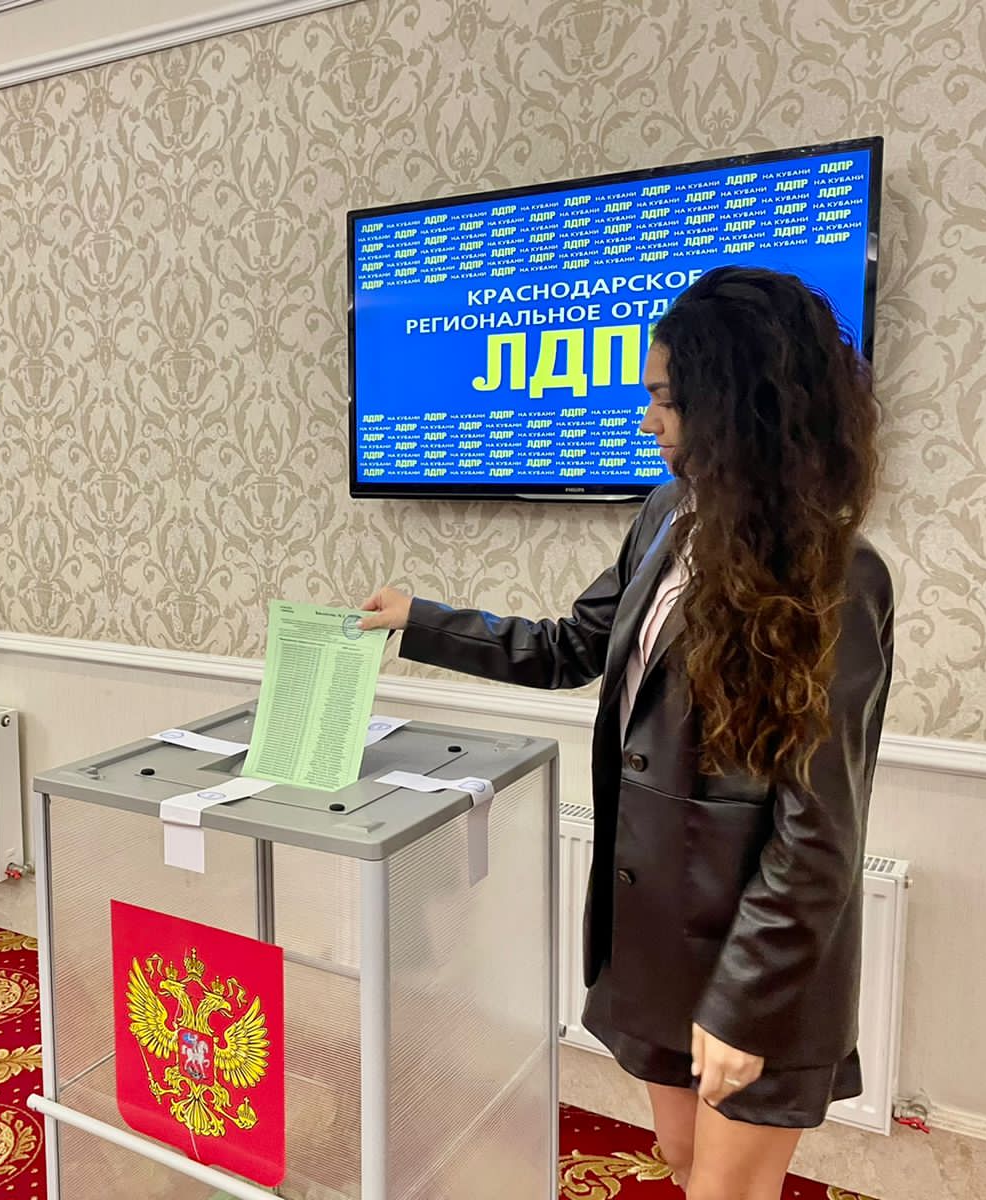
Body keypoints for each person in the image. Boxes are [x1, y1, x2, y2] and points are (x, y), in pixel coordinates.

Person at [360, 266, 893, 1200]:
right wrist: (422, 620)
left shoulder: (840, 578)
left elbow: (821, 828)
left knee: (727, 1192)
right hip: (655, 936)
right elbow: (573, 645)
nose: (649, 421)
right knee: (683, 1164)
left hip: (756, 948)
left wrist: (746, 1000)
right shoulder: (666, 518)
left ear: (739, 406)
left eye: (665, 399)